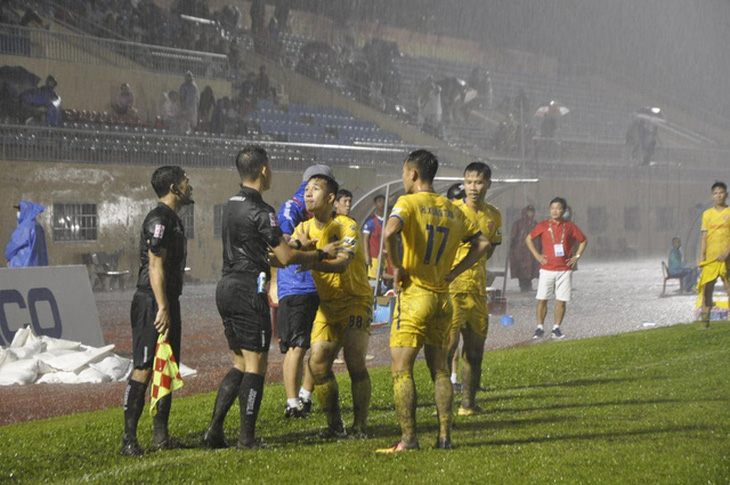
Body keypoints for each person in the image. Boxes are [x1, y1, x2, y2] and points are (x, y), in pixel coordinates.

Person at [202, 146, 337, 450]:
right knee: (256, 365)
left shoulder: (230, 204)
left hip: (226, 286)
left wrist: (292, 244)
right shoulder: (263, 210)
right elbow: (286, 256)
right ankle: (247, 439)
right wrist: (318, 253)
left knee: (240, 361)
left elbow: (268, 254)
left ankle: (214, 431)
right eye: (271, 167)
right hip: (249, 289)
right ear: (263, 170)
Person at [377, 150, 490, 453]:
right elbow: (482, 243)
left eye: (404, 173)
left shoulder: (408, 202)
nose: (403, 178)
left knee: (402, 369)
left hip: (415, 295)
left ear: (413, 174)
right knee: (440, 369)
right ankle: (444, 438)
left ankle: (409, 440)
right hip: (443, 298)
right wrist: (455, 271)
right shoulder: (453, 209)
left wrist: (395, 265)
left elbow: (390, 231)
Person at [291, 174, 373, 438]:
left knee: (354, 361)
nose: (308, 193)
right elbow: (285, 254)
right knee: (317, 364)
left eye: (316, 189)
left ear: (330, 199)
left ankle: (360, 426)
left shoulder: (346, 226)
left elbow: (342, 264)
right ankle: (335, 426)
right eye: (307, 189)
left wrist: (312, 260)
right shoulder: (302, 229)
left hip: (355, 301)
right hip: (328, 305)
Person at [120, 166, 194, 456]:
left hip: (167, 300)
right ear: (175, 188)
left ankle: (160, 437)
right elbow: (154, 266)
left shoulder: (173, 219)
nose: (191, 187)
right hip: (151, 301)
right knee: (144, 366)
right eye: (187, 182)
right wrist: (162, 306)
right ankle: (129, 440)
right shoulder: (159, 219)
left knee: (166, 363)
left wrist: (169, 304)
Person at [276, 164, 339, 419]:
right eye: (311, 188)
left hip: (318, 284)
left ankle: (305, 396)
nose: (312, 193)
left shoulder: (326, 212)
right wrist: (273, 283)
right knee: (297, 345)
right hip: (296, 286)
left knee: (320, 346)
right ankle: (292, 403)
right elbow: (280, 246)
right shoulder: (292, 207)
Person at [447, 162, 501, 416]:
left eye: (478, 182)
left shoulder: (493, 215)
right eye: (468, 182)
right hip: (452, 287)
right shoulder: (451, 211)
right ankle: (442, 401)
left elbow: (491, 249)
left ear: (488, 184)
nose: (473, 188)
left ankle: (468, 403)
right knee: (447, 347)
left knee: (475, 349)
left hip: (478, 291)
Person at [526, 197, 587, 340]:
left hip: (564, 269)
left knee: (561, 300)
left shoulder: (570, 226)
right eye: (552, 208)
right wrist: (537, 255)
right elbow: (529, 239)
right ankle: (539, 327)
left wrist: (576, 256)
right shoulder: (543, 225)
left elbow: (583, 241)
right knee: (542, 299)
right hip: (547, 268)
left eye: (558, 208)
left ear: (564, 210)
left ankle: (556, 328)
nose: (555, 211)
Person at [697, 181, 730, 328]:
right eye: (716, 193)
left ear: (726, 194)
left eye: (721, 192)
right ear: (712, 196)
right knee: (707, 290)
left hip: (727, 258)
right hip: (711, 259)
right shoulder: (707, 214)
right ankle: (705, 323)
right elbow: (704, 237)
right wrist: (701, 256)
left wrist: (726, 253)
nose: (719, 195)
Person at [5, 201, 48, 267]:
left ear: (26, 211)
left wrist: (7, 256)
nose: (18, 212)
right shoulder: (38, 227)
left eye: (20, 210)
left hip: (22, 266)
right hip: (38, 266)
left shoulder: (25, 227)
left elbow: (13, 245)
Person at [510, 205, 540, 292]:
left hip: (531, 251)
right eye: (529, 212)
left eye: (532, 212)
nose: (531, 214)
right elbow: (513, 237)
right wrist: (513, 248)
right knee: (521, 269)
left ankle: (528, 285)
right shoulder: (518, 224)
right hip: (520, 251)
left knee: (530, 268)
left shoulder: (535, 224)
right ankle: (523, 286)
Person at [362, 194, 386, 279]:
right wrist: (366, 254)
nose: (382, 204)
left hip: (386, 254)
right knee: (374, 278)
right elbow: (365, 238)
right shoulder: (371, 221)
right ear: (375, 204)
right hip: (375, 255)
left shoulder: (389, 219)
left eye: (383, 201)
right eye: (379, 201)